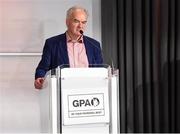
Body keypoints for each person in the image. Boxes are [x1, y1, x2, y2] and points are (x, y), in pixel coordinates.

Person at [34, 6, 103, 89]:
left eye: (84, 22)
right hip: (62, 92)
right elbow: (42, 69)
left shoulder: (94, 45)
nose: (80, 26)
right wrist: (39, 78)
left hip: (88, 92)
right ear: (67, 22)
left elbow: (101, 71)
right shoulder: (52, 43)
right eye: (76, 21)